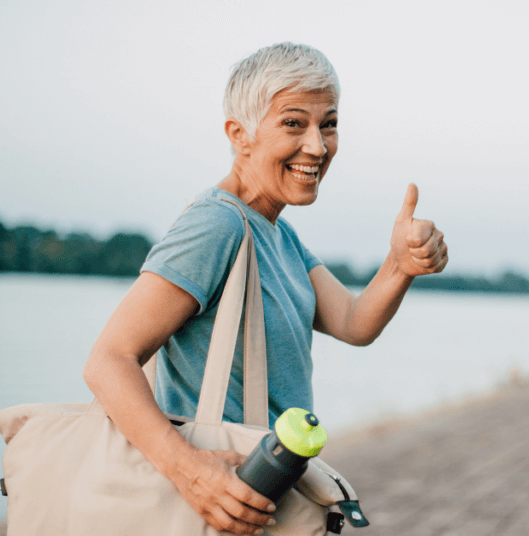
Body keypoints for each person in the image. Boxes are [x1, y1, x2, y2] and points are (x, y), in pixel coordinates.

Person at [82, 42, 447, 535]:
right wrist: (191, 473)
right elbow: (109, 359)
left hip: (261, 497)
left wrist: (401, 265)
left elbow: (353, 322)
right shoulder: (216, 226)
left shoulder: (279, 234)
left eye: (329, 123)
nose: (318, 146)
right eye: (294, 123)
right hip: (216, 502)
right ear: (240, 134)